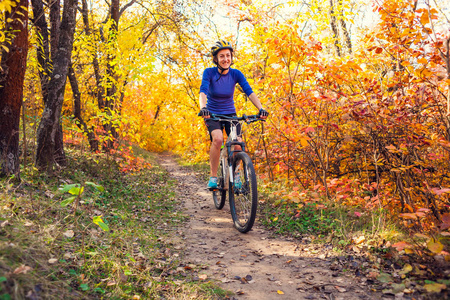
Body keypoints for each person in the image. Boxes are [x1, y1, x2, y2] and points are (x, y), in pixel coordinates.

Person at [198, 40, 269, 189]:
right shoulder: (209, 72)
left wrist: (261, 108)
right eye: (222, 56)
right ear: (216, 59)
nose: (225, 59)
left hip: (231, 114)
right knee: (217, 140)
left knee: (237, 144)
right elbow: (203, 91)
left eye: (228, 56)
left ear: (231, 57)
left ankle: (235, 174)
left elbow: (249, 91)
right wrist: (203, 108)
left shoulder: (236, 74)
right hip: (213, 114)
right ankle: (213, 177)